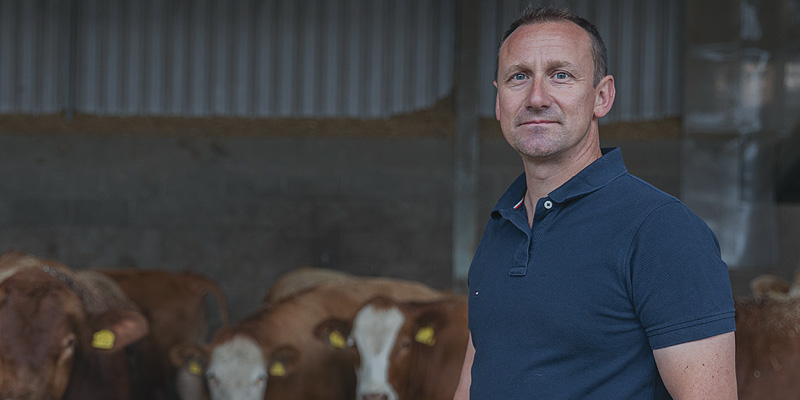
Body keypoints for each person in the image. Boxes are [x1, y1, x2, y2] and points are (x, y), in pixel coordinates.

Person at [453, 5, 737, 400]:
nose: (537, 97)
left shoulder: (661, 230)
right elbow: (472, 382)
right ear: (499, 103)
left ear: (602, 96)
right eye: (518, 77)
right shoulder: (502, 227)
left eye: (560, 75)